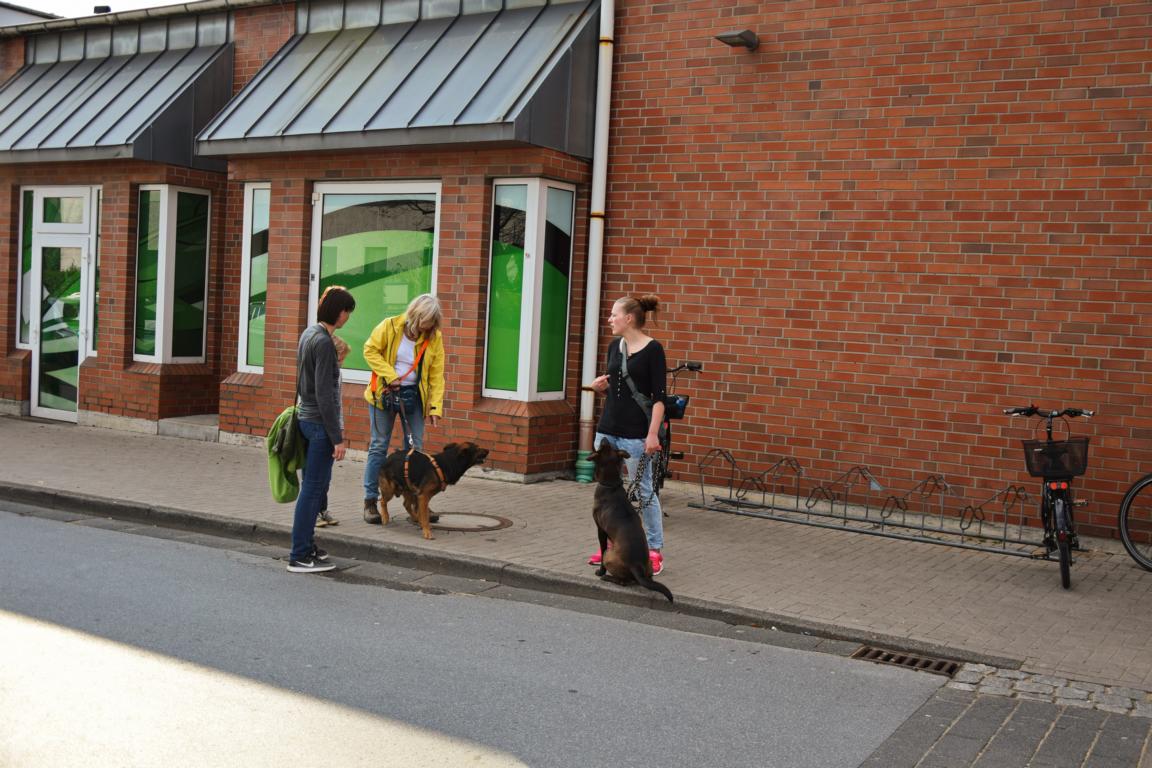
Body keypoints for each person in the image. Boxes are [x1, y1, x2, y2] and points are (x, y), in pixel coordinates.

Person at [587, 295, 669, 575]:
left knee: (644, 491)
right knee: (608, 494)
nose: (609, 319)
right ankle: (612, 546)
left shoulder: (653, 350)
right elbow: (619, 392)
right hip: (607, 431)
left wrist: (652, 435)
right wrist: (601, 390)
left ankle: (654, 550)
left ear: (629, 318)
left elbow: (659, 398)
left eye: (613, 315)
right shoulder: (614, 346)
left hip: (636, 435)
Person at [287, 286, 356, 573]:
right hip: (319, 425)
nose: (348, 317)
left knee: (313, 489)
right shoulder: (325, 343)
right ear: (340, 312)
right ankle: (300, 554)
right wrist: (337, 438)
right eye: (348, 312)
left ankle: (307, 546)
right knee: (313, 491)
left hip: (306, 418)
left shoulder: (308, 334)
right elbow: (325, 393)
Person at [361, 293, 446, 524]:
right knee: (378, 446)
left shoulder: (434, 337)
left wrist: (436, 406)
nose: (427, 328)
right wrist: (391, 376)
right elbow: (369, 351)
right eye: (425, 322)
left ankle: (416, 504)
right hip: (385, 395)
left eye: (431, 324)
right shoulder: (389, 326)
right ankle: (370, 501)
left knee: (415, 451)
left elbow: (437, 374)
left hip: (415, 399)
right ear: (416, 316)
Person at [315, 332, 350, 528]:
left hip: (332, 428)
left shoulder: (338, 374)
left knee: (326, 475)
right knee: (315, 475)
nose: (343, 361)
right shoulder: (320, 372)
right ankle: (314, 513)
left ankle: (323, 509)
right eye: (341, 357)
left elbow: (339, 405)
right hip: (319, 426)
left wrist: (340, 429)